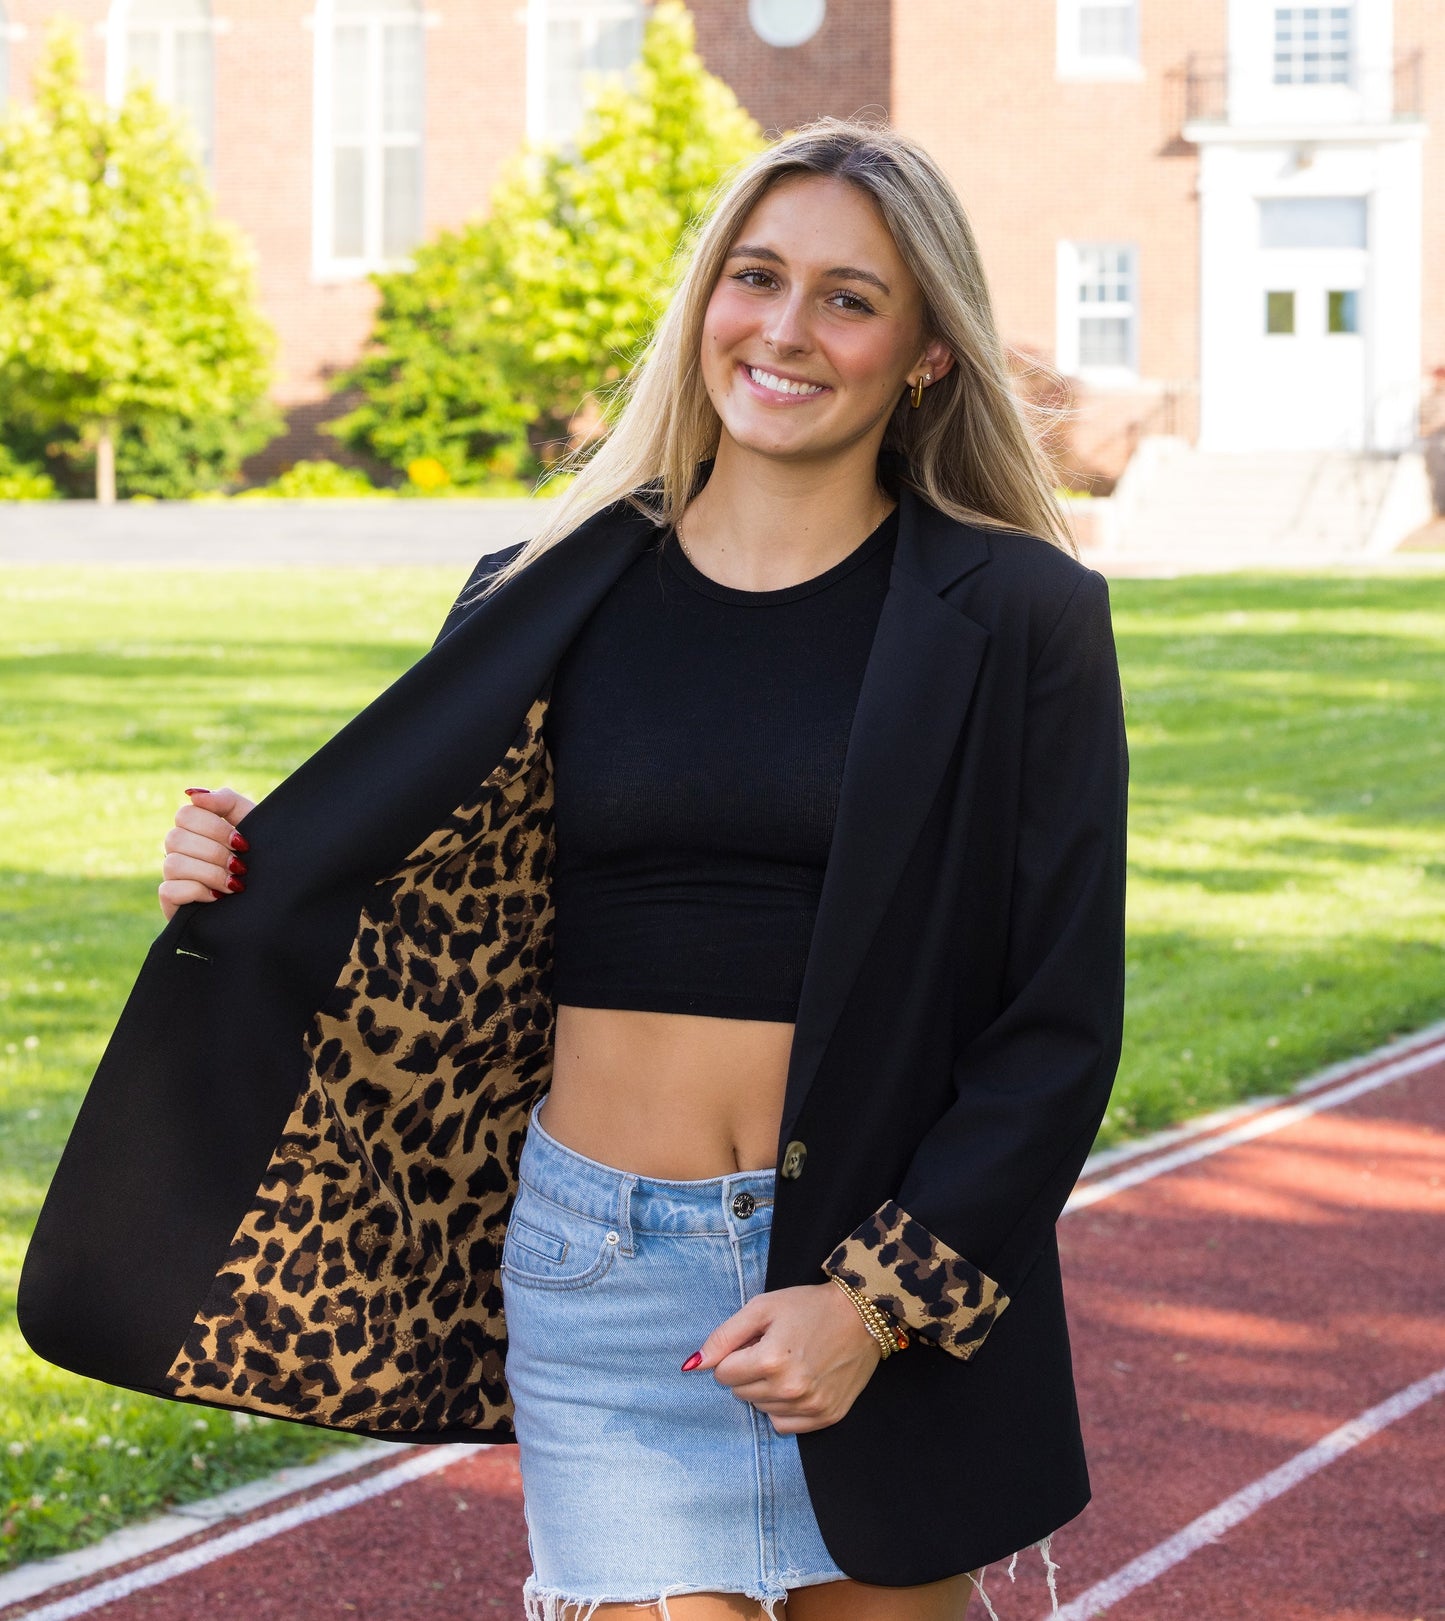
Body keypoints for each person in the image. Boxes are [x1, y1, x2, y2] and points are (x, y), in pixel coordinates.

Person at [83, 120, 1125, 1621]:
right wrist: (246, 868)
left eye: (848, 296)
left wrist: (878, 1306)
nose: (782, 328)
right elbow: (421, 912)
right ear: (702, 298)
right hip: (600, 1275)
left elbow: (1056, 1020)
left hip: (867, 1279)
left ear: (925, 355)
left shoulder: (1018, 613)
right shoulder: (537, 596)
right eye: (753, 276)